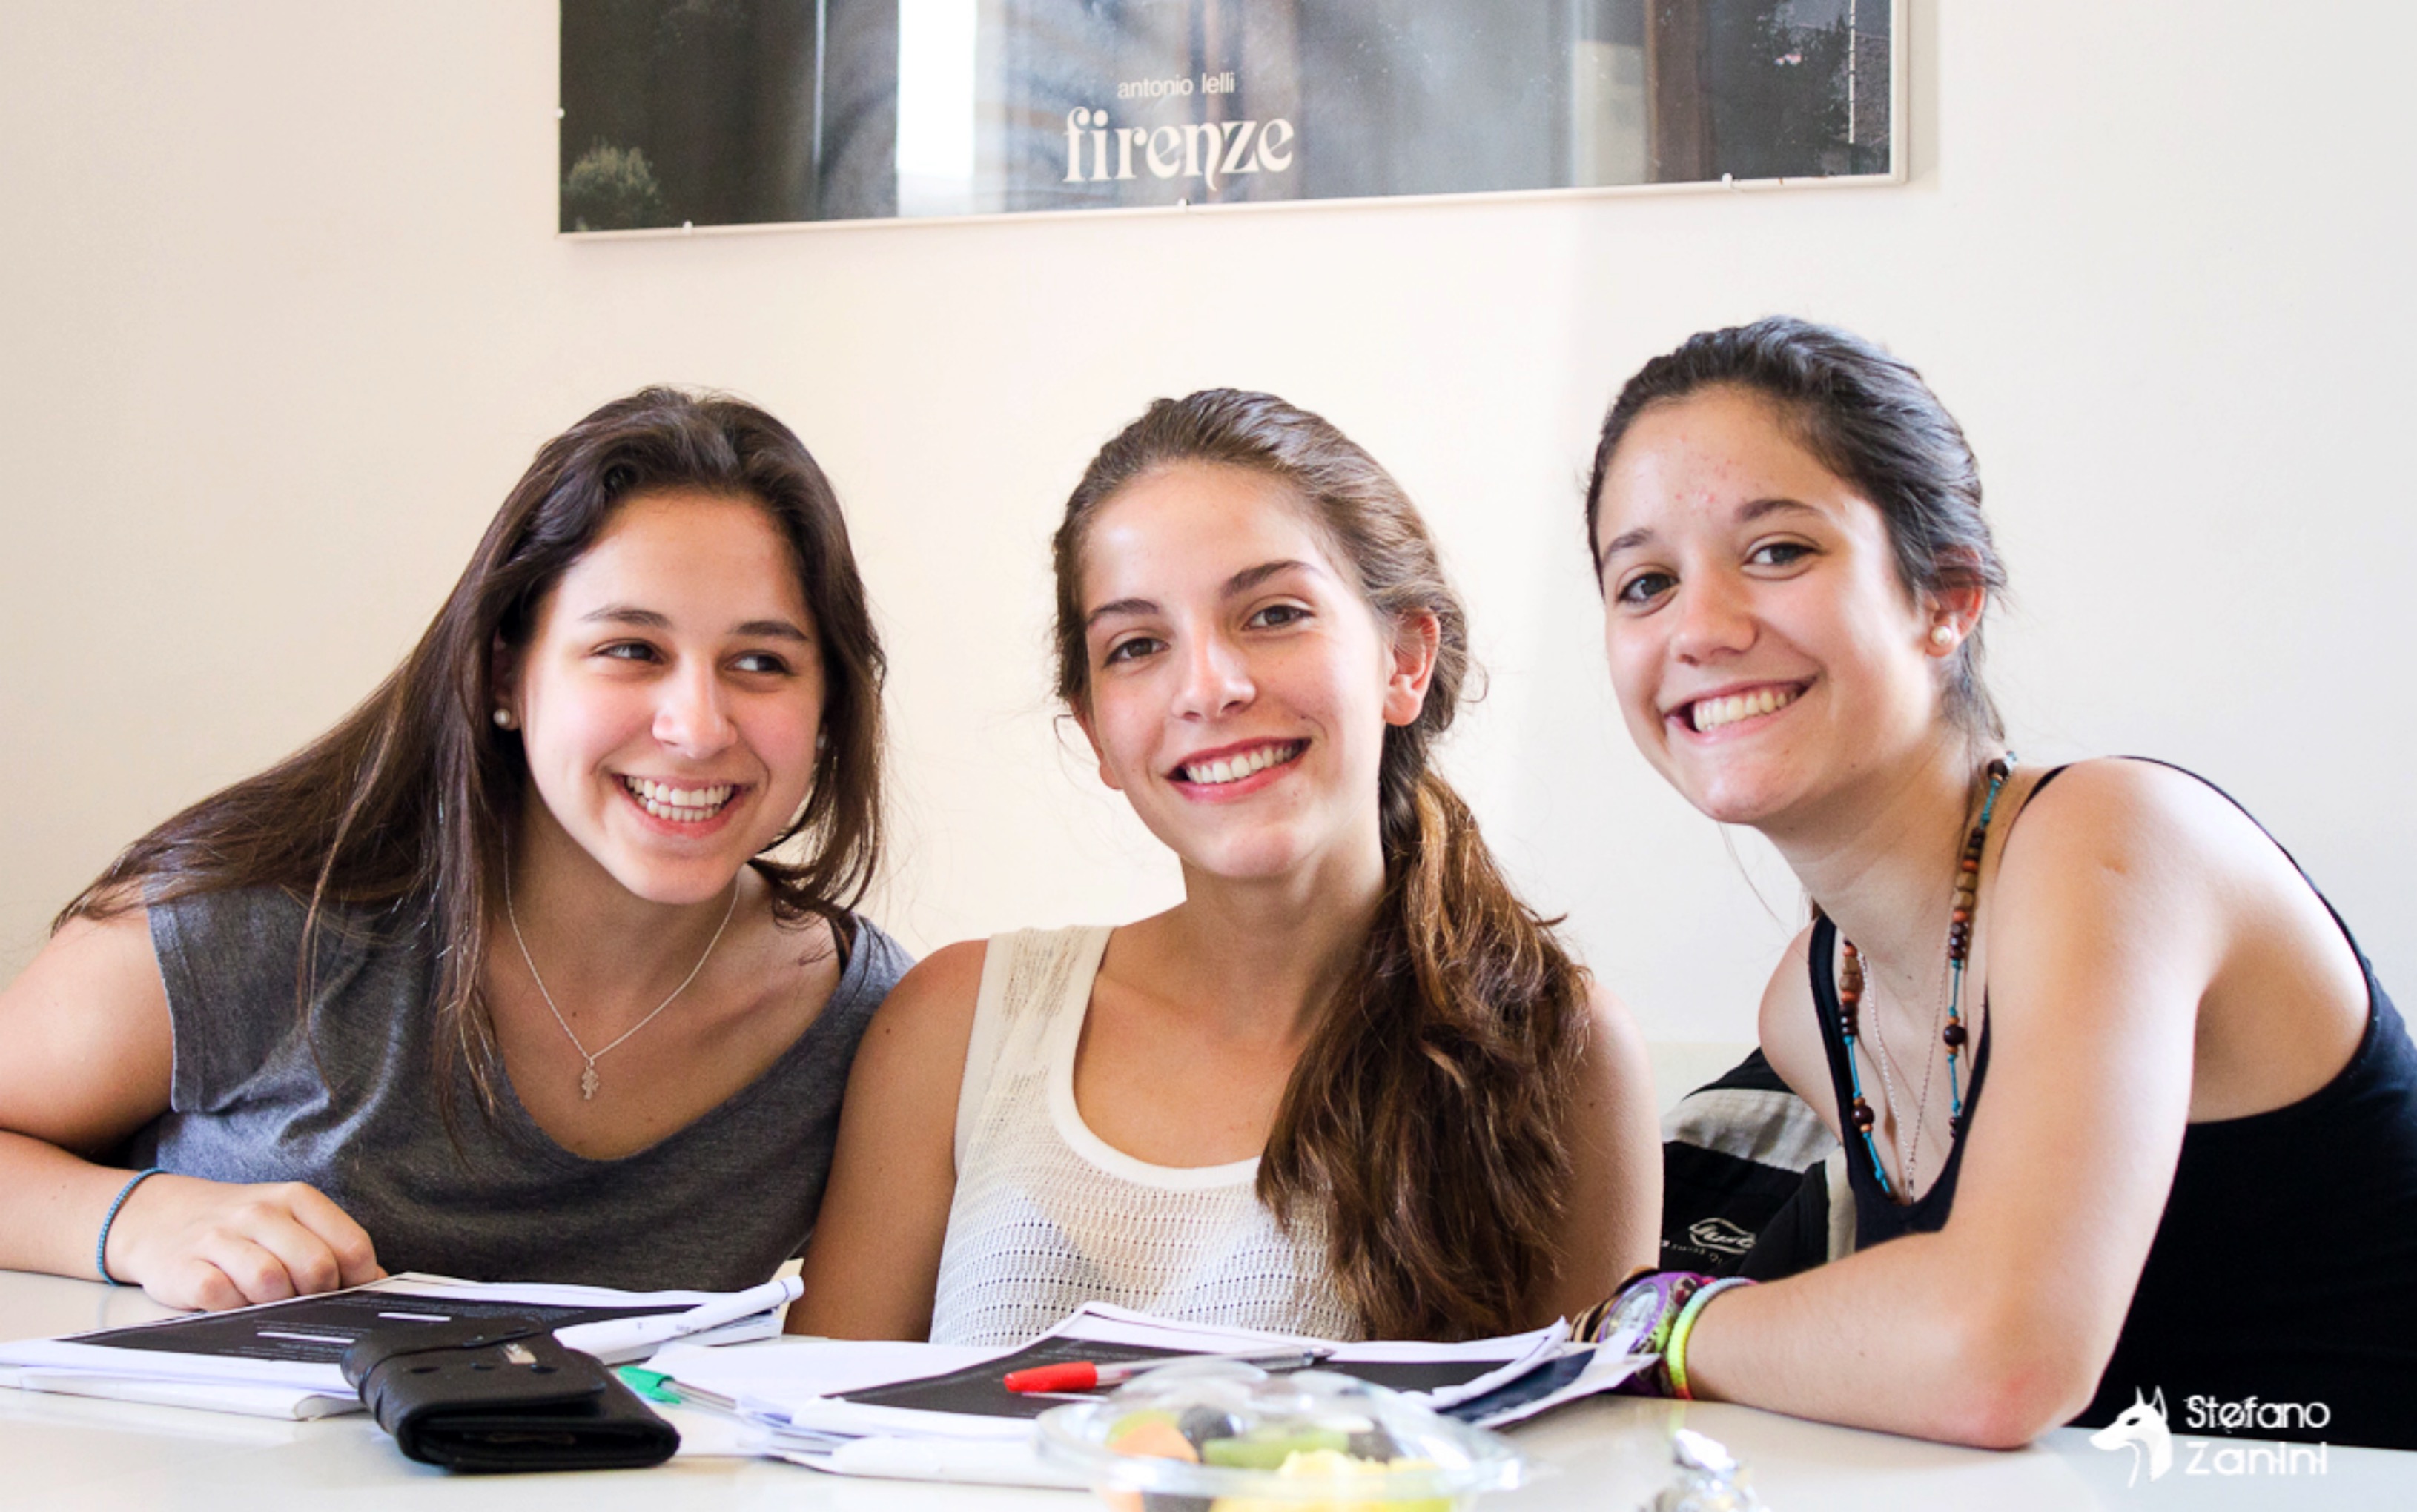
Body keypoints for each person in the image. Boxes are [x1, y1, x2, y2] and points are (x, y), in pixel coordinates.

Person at [1579, 317, 2417, 1449]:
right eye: (1644, 583)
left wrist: (1653, 1322)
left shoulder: (2116, 841)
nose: (1701, 628)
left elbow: (1995, 1356)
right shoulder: (1807, 1005)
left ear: (1948, 598)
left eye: (1778, 552)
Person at [0, 388, 910, 1308]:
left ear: (828, 708)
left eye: (761, 664)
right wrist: (135, 1219)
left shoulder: (868, 1027)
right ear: (504, 675)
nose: (697, 726)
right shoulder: (260, 924)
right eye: (631, 648)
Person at [796, 388, 1659, 1345]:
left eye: (1273, 613)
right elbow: (812, 1454)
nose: (1209, 687)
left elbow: (1582, 1474)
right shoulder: (955, 1027)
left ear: (1404, 660)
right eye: (1137, 646)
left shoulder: (1559, 1052)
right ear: (1097, 733)